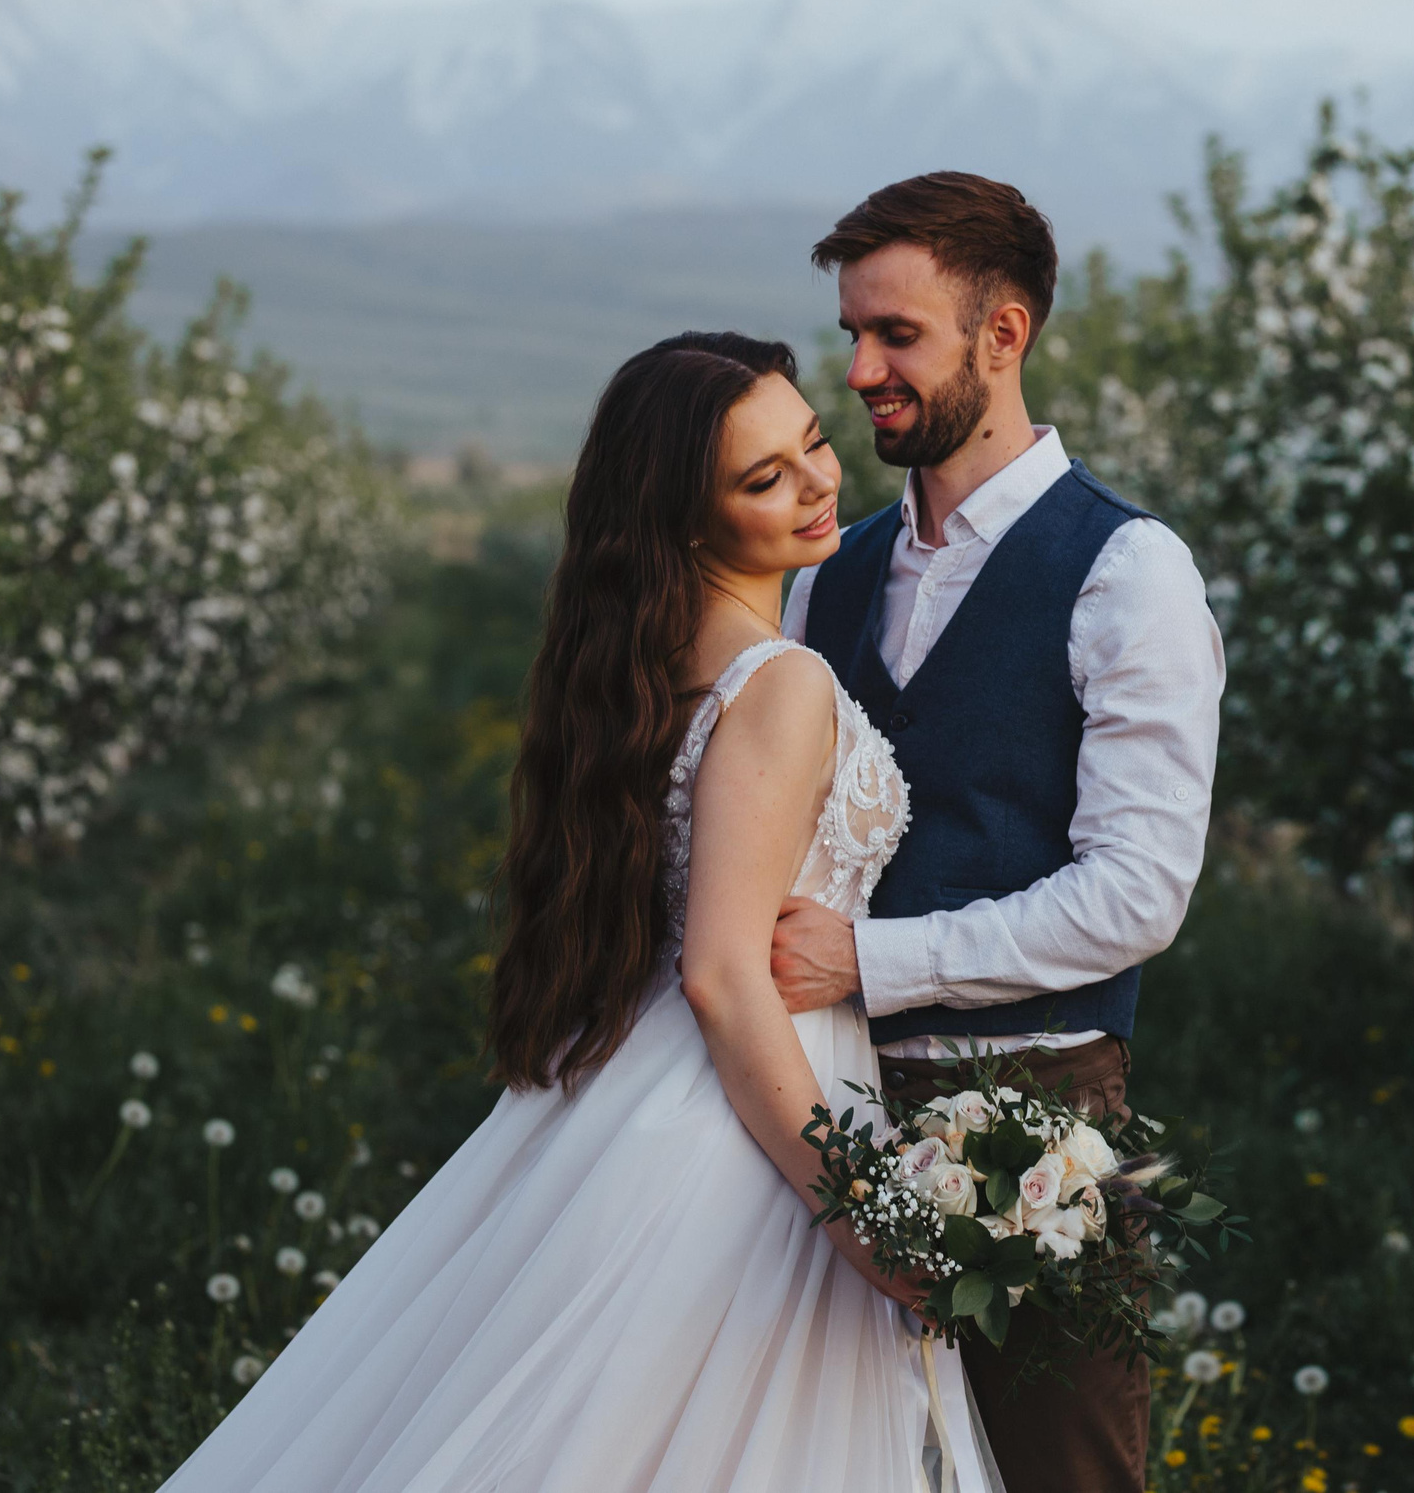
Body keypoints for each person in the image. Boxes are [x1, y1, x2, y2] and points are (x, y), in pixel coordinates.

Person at [155, 332, 1001, 1493]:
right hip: (756, 1115)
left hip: (664, 1085)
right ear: (686, 520)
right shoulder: (782, 681)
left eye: (810, 442)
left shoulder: (659, 663)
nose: (816, 483)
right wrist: (861, 1212)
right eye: (763, 479)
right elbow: (717, 968)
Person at [773, 173, 1225, 1493]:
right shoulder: (828, 571)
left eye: (895, 334)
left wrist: (869, 959)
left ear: (1004, 334)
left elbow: (1136, 893)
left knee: (1058, 1471)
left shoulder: (1128, 571)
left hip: (1032, 1119)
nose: (859, 369)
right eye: (851, 334)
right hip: (823, 1107)